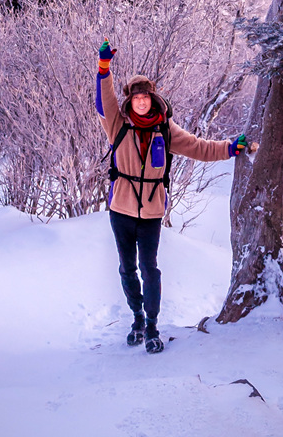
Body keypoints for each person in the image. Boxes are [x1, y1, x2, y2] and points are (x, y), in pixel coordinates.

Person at [95, 39, 255, 353]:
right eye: (136, 98)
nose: (141, 103)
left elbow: (198, 147)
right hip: (121, 210)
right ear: (130, 101)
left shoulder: (165, 129)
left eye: (145, 97)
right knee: (127, 268)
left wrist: (229, 148)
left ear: (153, 99)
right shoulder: (119, 125)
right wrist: (104, 69)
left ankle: (153, 326)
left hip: (152, 211)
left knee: (150, 267)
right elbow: (104, 101)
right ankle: (137, 318)